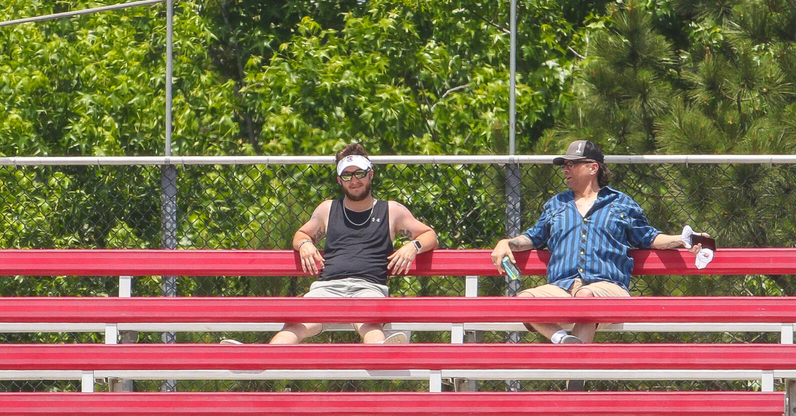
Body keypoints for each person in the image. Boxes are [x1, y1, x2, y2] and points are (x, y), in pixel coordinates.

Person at [490, 139, 710, 346]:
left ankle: (574, 375)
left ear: (593, 168)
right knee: (523, 300)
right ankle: (564, 341)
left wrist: (683, 240)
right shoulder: (556, 204)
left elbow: (649, 237)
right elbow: (533, 237)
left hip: (608, 288)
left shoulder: (620, 203)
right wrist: (507, 242)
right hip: (563, 287)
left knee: (586, 297)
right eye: (564, 165)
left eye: (572, 164)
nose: (565, 169)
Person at [269, 142, 439, 344]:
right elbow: (301, 234)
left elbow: (430, 235)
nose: (354, 180)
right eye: (347, 176)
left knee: (370, 323)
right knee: (296, 325)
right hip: (328, 287)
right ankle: (258, 358)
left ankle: (382, 351)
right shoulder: (328, 209)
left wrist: (413, 246)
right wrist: (305, 243)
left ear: (371, 174)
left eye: (359, 173)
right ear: (340, 181)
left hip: (369, 287)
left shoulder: (391, 210)